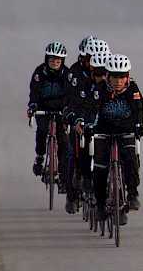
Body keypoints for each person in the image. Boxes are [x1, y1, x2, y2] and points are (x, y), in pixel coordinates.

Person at [88, 54, 143, 225]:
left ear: (127, 76)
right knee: (99, 168)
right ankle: (100, 204)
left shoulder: (133, 89)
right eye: (114, 76)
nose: (118, 81)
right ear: (108, 76)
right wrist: (89, 124)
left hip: (125, 132)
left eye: (122, 76)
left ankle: (132, 195)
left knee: (130, 160)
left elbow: (138, 109)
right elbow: (92, 109)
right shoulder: (100, 90)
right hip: (104, 132)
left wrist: (139, 125)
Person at [63, 37, 108, 214]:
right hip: (78, 115)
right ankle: (72, 194)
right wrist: (76, 120)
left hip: (101, 119)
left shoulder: (107, 73)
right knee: (73, 152)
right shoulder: (76, 72)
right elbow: (72, 100)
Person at [28, 42, 71, 193]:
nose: (55, 62)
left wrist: (68, 110)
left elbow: (71, 94)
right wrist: (33, 105)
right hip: (43, 108)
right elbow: (34, 90)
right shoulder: (39, 72)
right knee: (42, 133)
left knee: (63, 142)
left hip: (60, 110)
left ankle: (64, 177)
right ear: (47, 59)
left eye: (58, 60)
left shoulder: (67, 74)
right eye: (52, 59)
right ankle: (40, 157)